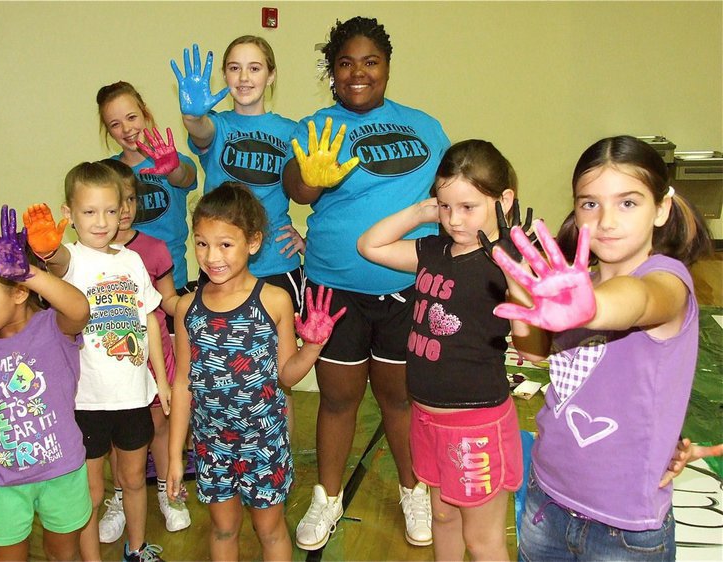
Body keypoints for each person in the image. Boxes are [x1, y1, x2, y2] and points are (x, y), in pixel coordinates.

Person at [490, 135, 713, 561]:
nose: (606, 220)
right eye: (590, 203)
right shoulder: (582, 282)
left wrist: (590, 307)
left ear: (661, 209)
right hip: (547, 499)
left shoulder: (667, 281)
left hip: (624, 529)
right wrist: (519, 289)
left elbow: (637, 302)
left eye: (628, 203)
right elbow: (535, 351)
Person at [283, 16, 450, 550]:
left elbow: (453, 193)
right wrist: (311, 176)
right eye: (345, 63)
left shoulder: (425, 125)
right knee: (337, 398)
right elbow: (297, 190)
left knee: (400, 399)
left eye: (370, 62)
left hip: (407, 286)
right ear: (331, 72)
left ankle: (413, 488)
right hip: (336, 288)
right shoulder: (317, 124)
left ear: (387, 68)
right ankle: (327, 498)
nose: (358, 73)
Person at [358, 140, 527, 561]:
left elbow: (528, 337)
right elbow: (370, 246)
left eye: (468, 207)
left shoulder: (503, 264)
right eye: (445, 206)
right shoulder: (433, 252)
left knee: (483, 540)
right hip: (427, 417)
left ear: (503, 201)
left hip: (476, 425)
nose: (454, 219)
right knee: (443, 519)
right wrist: (421, 211)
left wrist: (514, 269)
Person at [166, 182, 345, 561]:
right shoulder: (187, 308)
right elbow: (183, 384)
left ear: (253, 242)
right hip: (211, 444)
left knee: (270, 531)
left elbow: (287, 376)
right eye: (201, 243)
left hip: (263, 443)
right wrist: (174, 455)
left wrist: (312, 347)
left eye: (225, 244)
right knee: (224, 528)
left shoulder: (274, 300)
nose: (211, 256)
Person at [23, 161, 170, 562]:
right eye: (89, 212)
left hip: (134, 397)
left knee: (134, 480)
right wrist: (47, 249)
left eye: (110, 209)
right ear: (69, 215)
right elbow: (55, 264)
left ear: (124, 208)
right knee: (92, 491)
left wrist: (164, 381)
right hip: (86, 401)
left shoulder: (132, 261)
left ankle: (138, 549)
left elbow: (150, 323)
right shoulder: (70, 258)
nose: (102, 221)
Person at [171, 36, 306, 438]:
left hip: (277, 267)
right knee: (219, 367)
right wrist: (191, 114)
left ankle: (278, 461)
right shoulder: (220, 124)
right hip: (222, 269)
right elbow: (200, 129)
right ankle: (222, 444)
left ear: (271, 75)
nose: (244, 77)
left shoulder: (291, 130)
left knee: (277, 378)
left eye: (254, 67)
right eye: (233, 68)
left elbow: (312, 187)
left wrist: (307, 239)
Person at [0, 206, 91, 561]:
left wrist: (30, 274)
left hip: (62, 473)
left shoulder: (52, 328)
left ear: (19, 292)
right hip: (2, 481)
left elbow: (80, 310)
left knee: (63, 554)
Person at [92, 159, 191, 544]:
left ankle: (171, 493)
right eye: (120, 200)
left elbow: (166, 301)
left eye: (132, 198)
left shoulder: (151, 249)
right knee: (119, 437)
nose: (128, 208)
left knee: (161, 425)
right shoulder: (85, 255)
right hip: (110, 363)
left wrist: (192, 306)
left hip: (153, 355)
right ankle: (119, 497)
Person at [97, 81, 199, 297]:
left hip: (173, 283)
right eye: (115, 124)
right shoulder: (107, 173)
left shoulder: (175, 161)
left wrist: (174, 168)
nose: (126, 129)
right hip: (125, 288)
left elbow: (185, 177)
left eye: (132, 117)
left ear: (145, 114)